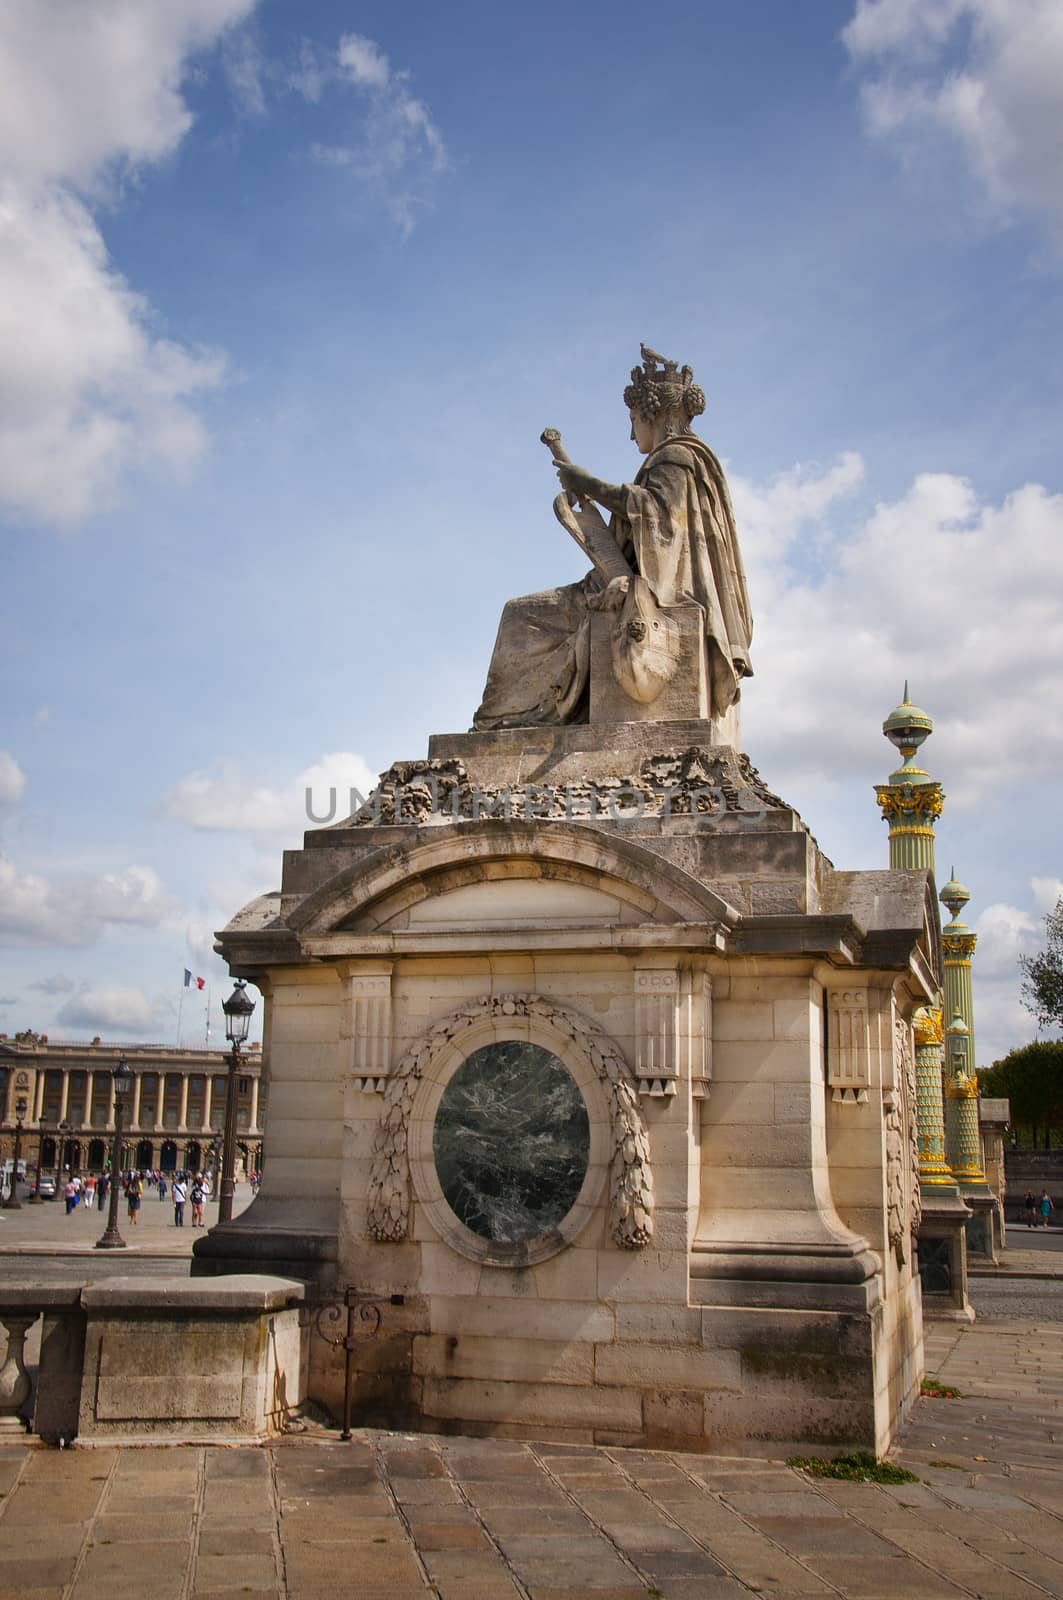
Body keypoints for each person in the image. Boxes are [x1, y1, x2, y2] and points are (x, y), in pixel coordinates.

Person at [473, 345, 753, 731]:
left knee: (519, 617)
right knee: (522, 613)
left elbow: (657, 517)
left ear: (651, 415)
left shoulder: (675, 459)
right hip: (621, 583)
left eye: (635, 419)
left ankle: (504, 721)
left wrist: (589, 483)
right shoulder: (689, 461)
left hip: (638, 597)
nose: (632, 430)